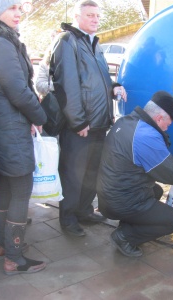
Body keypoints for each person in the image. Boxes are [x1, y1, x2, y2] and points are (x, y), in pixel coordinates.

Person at [0, 0, 47, 275]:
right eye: (12, 8)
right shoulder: (1, 45)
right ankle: (14, 258)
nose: (18, 13)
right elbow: (18, 91)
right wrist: (41, 118)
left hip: (0, 126)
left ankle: (2, 245)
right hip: (10, 128)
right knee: (20, 189)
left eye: (20, 8)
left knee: (5, 186)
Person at [50, 0, 127, 237]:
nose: (95, 19)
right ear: (77, 16)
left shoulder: (93, 43)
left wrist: (114, 86)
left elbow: (100, 77)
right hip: (81, 125)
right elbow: (67, 85)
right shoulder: (67, 42)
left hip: (99, 122)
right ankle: (68, 218)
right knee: (73, 174)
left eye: (97, 15)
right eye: (90, 15)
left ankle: (84, 210)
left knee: (92, 171)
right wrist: (78, 122)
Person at [96, 91, 173, 257]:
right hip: (121, 200)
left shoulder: (127, 122)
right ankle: (125, 237)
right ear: (158, 119)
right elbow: (171, 175)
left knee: (156, 191)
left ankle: (127, 225)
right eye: (168, 124)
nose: (166, 128)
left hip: (108, 194)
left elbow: (150, 155)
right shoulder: (146, 135)